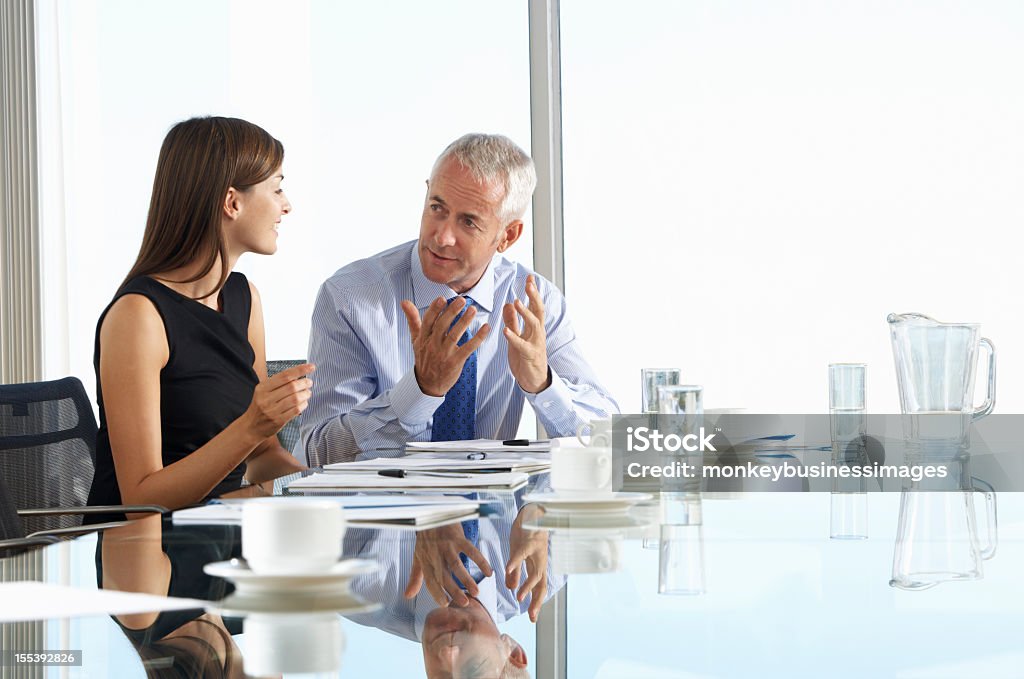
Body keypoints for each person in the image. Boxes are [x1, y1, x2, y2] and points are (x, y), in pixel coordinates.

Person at [301, 133, 617, 465]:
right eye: (437, 208)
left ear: (507, 236)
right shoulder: (351, 297)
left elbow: (610, 445)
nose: (441, 236)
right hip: (383, 514)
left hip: (499, 514)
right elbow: (316, 454)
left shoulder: (534, 302)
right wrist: (420, 391)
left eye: (468, 222)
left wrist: (543, 384)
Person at [86, 116, 314, 520]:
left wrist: (329, 490)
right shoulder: (138, 316)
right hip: (147, 555)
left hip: (223, 536)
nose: (287, 205)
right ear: (232, 203)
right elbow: (141, 503)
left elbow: (263, 456)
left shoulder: (244, 299)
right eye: (277, 188)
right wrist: (252, 424)